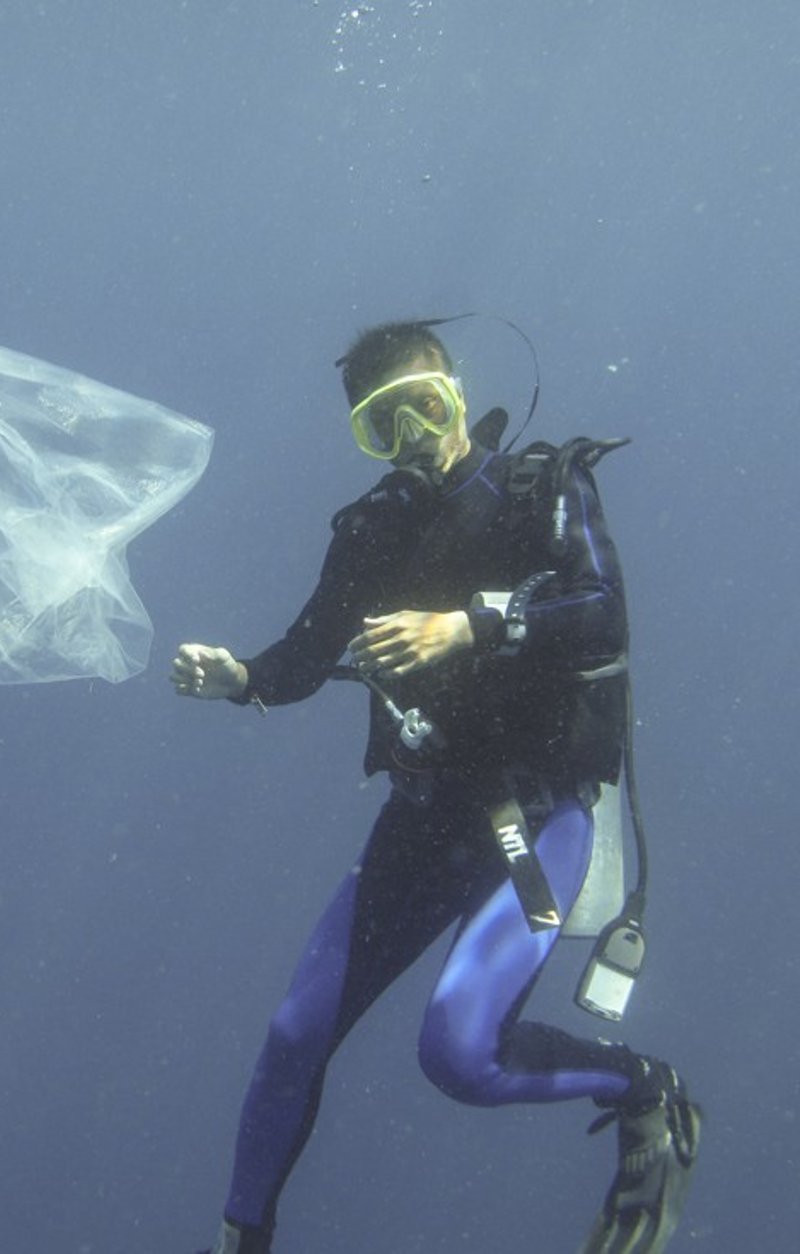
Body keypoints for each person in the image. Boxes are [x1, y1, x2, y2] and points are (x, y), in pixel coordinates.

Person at [172, 320, 700, 1254]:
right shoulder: (370, 532)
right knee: (295, 1035)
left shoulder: (544, 487)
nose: (414, 435)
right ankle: (238, 1240)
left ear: (457, 389)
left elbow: (601, 609)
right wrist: (240, 678)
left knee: (458, 1053)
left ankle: (643, 1089)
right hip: (421, 815)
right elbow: (302, 656)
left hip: (537, 816)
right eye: (384, 426)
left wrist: (468, 626)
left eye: (426, 404)